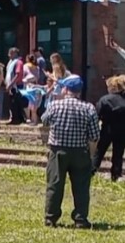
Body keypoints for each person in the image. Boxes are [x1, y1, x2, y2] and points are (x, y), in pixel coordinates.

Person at [41, 75, 99, 229]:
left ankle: (50, 217)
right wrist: (91, 155)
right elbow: (94, 136)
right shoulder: (89, 108)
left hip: (57, 151)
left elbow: (44, 121)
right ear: (79, 91)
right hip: (80, 152)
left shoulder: (55, 105)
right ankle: (80, 219)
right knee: (81, 187)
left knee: (54, 184)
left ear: (66, 89)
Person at [93, 75, 125, 182]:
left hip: (107, 128)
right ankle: (116, 175)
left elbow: (97, 115)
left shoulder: (105, 99)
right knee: (118, 153)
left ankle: (92, 170)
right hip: (122, 130)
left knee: (99, 152)